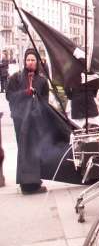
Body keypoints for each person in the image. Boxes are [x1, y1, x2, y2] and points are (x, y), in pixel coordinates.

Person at [6, 48, 49, 195]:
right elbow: (10, 96)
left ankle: (34, 182)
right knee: (24, 150)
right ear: (24, 61)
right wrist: (26, 93)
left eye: (33, 60)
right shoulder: (16, 78)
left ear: (37, 62)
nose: (30, 62)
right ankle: (26, 185)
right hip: (21, 120)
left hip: (35, 121)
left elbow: (45, 102)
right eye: (28, 60)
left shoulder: (42, 81)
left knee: (35, 151)